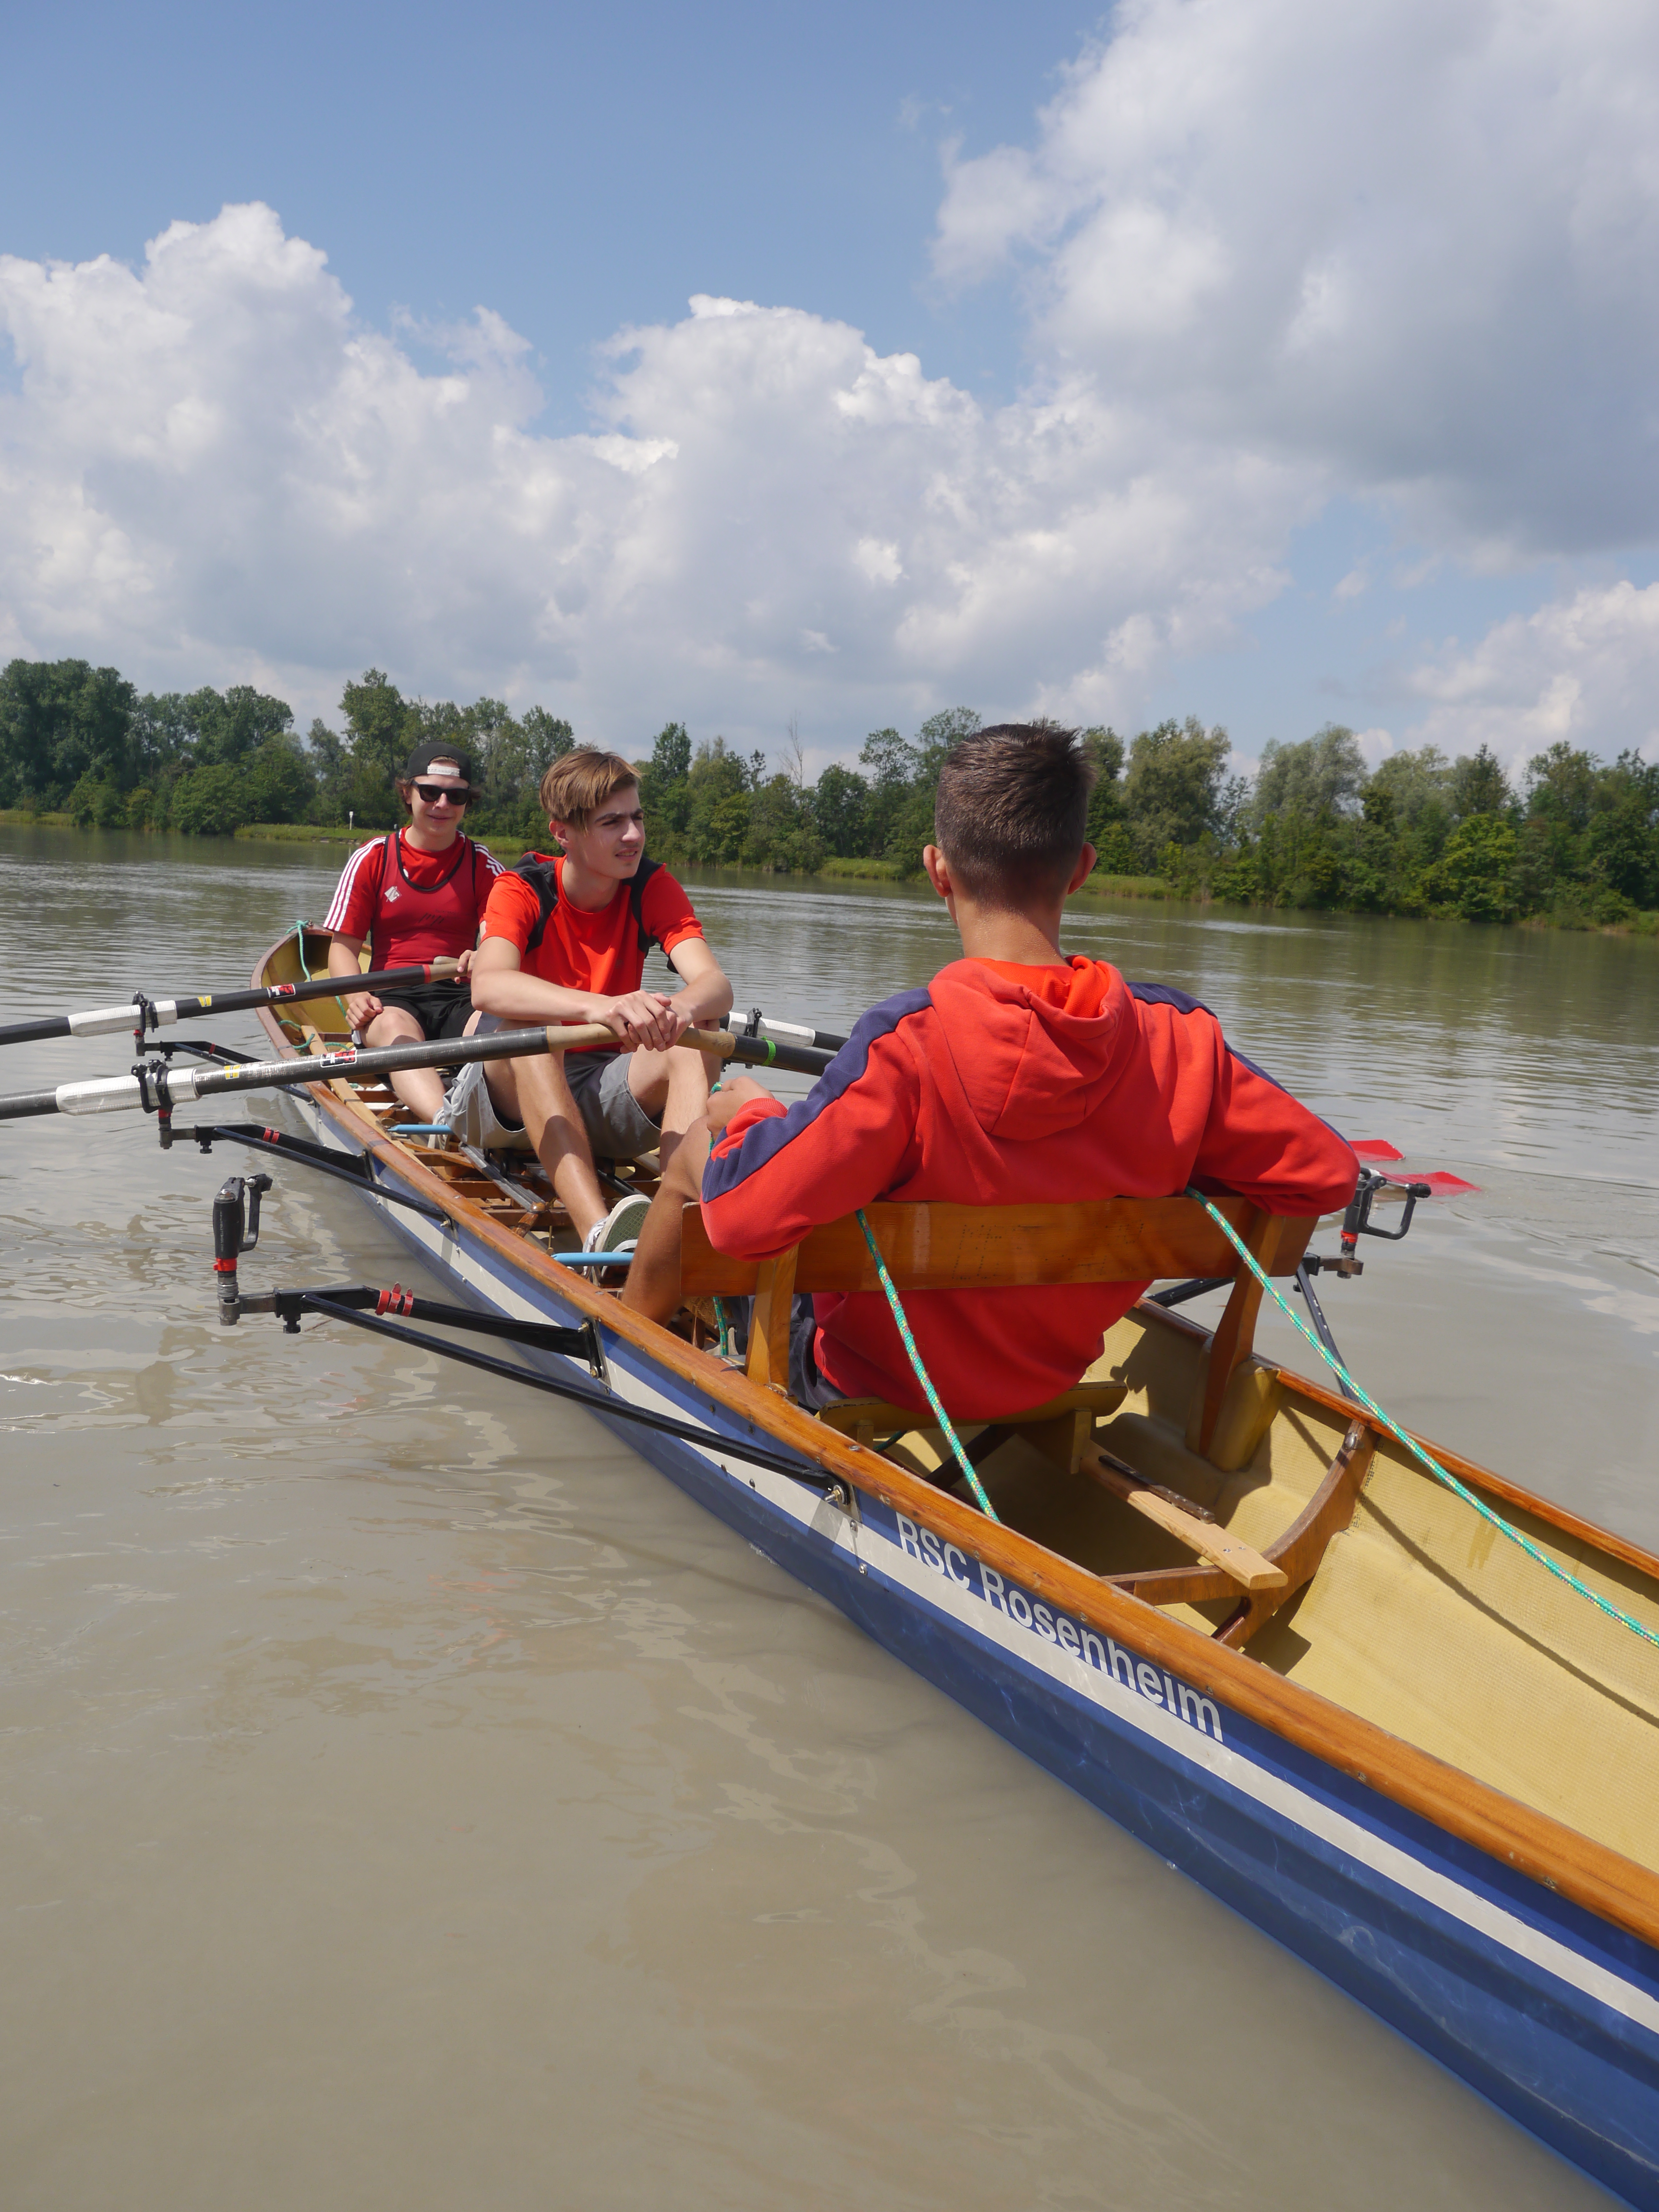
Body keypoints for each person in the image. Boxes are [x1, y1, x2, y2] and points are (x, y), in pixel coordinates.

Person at [624, 722, 1358, 1419]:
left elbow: (740, 1219)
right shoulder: (1182, 1040)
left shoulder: (905, 1044)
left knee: (696, 1155)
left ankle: (619, 1348)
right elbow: (1327, 1176)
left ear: (938, 872)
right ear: (1081, 869)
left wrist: (750, 1114)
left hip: (865, 1374)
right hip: (1051, 1375)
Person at [453, 746, 733, 1251]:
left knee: (697, 1034)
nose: (633, 835)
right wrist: (601, 1006)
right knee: (534, 1035)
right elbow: (487, 986)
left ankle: (676, 1227)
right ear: (563, 833)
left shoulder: (651, 886)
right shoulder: (521, 888)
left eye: (637, 818)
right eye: (612, 823)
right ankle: (598, 1234)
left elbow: (716, 985)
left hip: (598, 1086)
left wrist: (678, 1013)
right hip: (502, 1103)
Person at [322, 742, 503, 1123]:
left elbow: (499, 938)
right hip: (390, 999)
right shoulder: (372, 858)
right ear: (408, 794)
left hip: (460, 996)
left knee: (504, 1029)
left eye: (456, 796)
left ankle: (499, 1116)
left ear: (467, 802)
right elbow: (342, 949)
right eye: (430, 792)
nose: (442, 804)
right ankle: (448, 1125)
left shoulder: (484, 867)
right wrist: (356, 997)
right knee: (396, 1029)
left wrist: (485, 955)